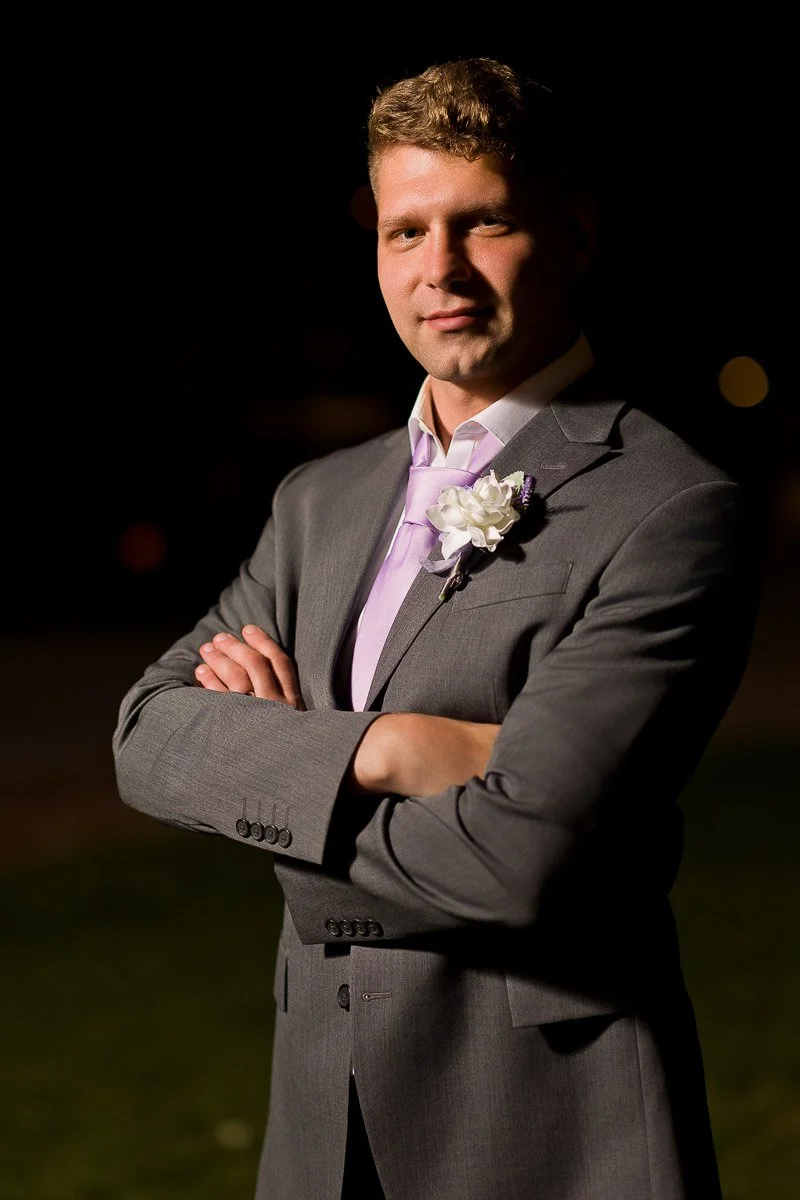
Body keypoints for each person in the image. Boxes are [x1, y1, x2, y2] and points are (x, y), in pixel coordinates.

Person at [113, 57, 763, 1200]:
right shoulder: (319, 502)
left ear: (571, 231)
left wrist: (270, 792)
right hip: (318, 1130)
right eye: (405, 232)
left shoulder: (668, 507)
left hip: (548, 1132)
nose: (438, 270)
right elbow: (146, 735)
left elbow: (521, 860)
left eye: (483, 223)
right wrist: (386, 750)